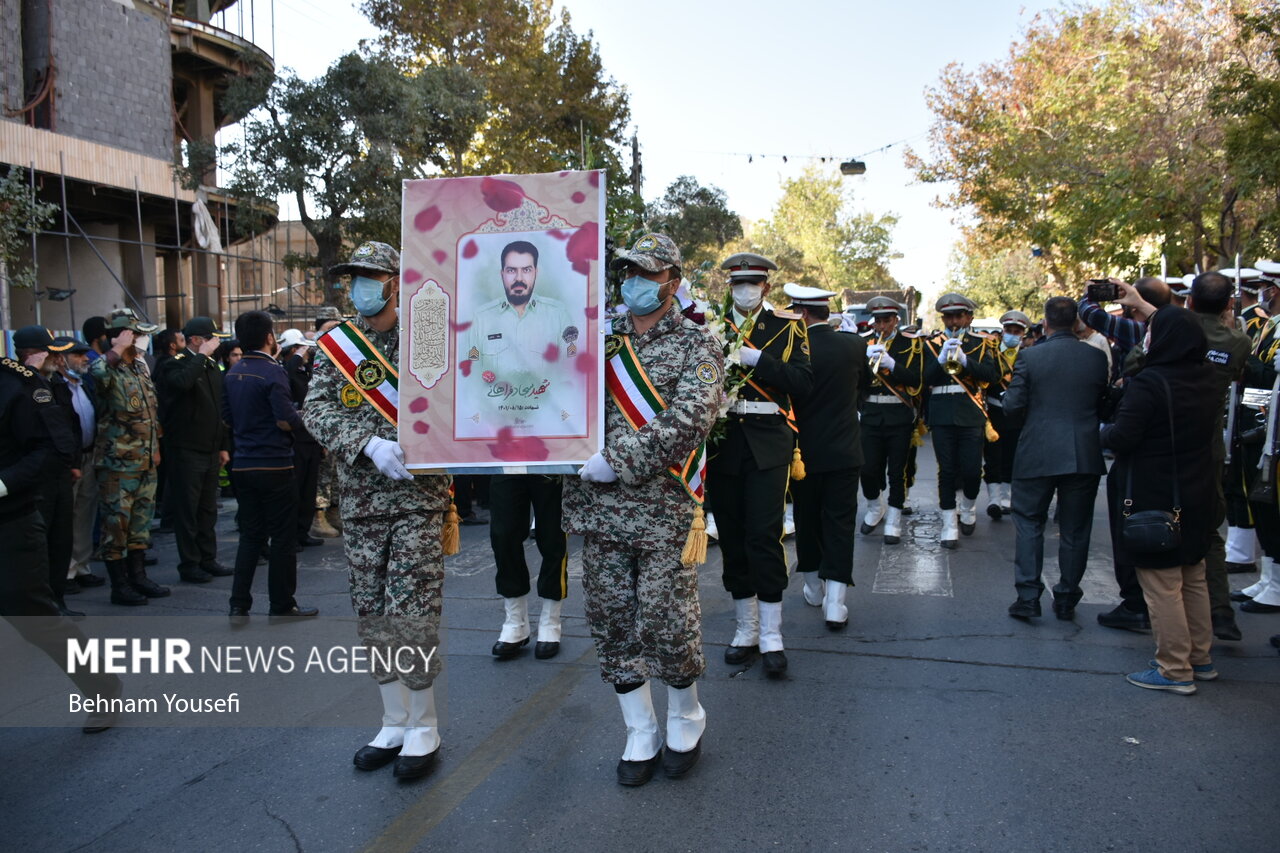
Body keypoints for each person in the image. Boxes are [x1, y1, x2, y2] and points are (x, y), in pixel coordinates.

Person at [561, 232, 722, 786]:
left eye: (644, 274)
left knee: (664, 619)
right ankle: (639, 728)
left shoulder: (699, 346)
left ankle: (686, 714)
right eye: (624, 272)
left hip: (663, 508)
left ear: (671, 283)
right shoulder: (596, 340)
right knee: (611, 619)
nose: (630, 283)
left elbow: (691, 419)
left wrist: (620, 457)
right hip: (599, 508)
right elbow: (557, 399)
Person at [305, 241, 453, 781]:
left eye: (370, 277)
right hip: (363, 500)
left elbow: (456, 399)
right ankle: (393, 719)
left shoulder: (429, 334)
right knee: (372, 612)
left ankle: (424, 726)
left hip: (418, 498)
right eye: (353, 278)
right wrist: (368, 443)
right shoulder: (337, 344)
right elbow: (316, 409)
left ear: (396, 281)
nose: (359, 287)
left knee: (410, 609)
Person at [0, 345, 123, 733]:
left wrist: (3, 484)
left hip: (8, 522)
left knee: (36, 619)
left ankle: (102, 688)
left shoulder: (14, 384)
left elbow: (53, 447)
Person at [1101, 307, 1220, 694]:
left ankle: (1173, 668)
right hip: (1198, 491)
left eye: (1150, 333)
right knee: (1193, 577)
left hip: (1155, 495)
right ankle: (1199, 659)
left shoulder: (1149, 383)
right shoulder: (1207, 377)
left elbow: (1123, 437)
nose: (1145, 340)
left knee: (1162, 583)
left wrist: (1103, 429)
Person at [709, 251, 813, 676]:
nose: (746, 290)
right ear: (728, 287)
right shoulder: (709, 324)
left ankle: (772, 635)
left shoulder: (788, 326)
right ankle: (746, 629)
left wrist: (760, 362)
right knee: (733, 536)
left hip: (770, 440)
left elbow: (804, 382)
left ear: (766, 287)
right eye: (738, 284)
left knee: (765, 536)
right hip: (724, 442)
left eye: (753, 283)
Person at [1002, 297, 1109, 620]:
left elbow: (1011, 407)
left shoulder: (1030, 356)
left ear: (1045, 323)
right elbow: (1102, 403)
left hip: (1038, 448)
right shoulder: (1096, 357)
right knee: (1076, 529)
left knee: (1029, 523)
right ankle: (1065, 598)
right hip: (1083, 450)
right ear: (1076, 322)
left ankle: (1028, 597)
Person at [222, 312, 318, 627]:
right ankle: (281, 603)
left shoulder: (233, 372)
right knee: (282, 537)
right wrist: (304, 420)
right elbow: (284, 419)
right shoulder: (272, 372)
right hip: (276, 462)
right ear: (268, 337)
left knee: (251, 536)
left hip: (244, 463)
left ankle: (239, 604)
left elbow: (227, 416)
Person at [784, 283, 870, 630]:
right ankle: (835, 604)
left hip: (801, 453)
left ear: (802, 313)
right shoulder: (854, 344)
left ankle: (812, 587)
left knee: (806, 518)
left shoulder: (790, 350)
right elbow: (866, 386)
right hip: (845, 450)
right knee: (840, 524)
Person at [459, 240, 579, 436]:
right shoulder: (482, 317)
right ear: (502, 274)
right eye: (512, 270)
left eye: (526, 270)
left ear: (536, 273)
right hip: (494, 429)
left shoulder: (558, 314)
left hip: (549, 427)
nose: (519, 278)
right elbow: (471, 376)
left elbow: (570, 375)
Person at [90, 308, 165, 606]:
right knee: (116, 528)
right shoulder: (108, 368)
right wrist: (117, 348)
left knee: (140, 524)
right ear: (123, 335)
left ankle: (139, 577)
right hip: (118, 464)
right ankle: (119, 585)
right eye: (137, 334)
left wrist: (156, 449)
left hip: (145, 461)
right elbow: (95, 374)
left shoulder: (138, 368)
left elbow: (150, 414)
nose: (142, 340)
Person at [156, 316, 233, 584]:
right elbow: (182, 383)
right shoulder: (173, 363)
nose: (216, 344)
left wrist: (223, 446)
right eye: (211, 339)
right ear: (197, 340)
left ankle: (207, 558)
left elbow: (218, 408)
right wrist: (199, 357)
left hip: (210, 448)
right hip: (186, 448)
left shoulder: (211, 365)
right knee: (187, 511)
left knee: (207, 509)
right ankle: (190, 563)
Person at [14, 328, 83, 620]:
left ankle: (58, 600)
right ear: (35, 354)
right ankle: (40, 608)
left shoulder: (55, 384)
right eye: (52, 353)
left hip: (60, 474)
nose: (57, 359)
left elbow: (70, 426)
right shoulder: (18, 386)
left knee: (60, 540)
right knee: (38, 548)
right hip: (36, 479)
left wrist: (74, 462)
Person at [921, 293, 1001, 548]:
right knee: (946, 470)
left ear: (969, 318)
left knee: (970, 469)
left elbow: (993, 375)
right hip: (942, 413)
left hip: (969, 412)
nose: (953, 322)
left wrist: (966, 362)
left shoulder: (982, 343)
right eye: (948, 317)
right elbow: (923, 379)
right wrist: (940, 359)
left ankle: (967, 506)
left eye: (959, 316)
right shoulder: (932, 344)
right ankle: (948, 523)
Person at [859, 296, 924, 545]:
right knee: (867, 469)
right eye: (878, 320)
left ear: (896, 320)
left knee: (897, 471)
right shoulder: (865, 343)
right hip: (871, 415)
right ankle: (876, 507)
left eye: (887, 320)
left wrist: (892, 364)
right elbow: (856, 381)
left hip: (898, 415)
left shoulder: (911, 345)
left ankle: (894, 518)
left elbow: (916, 380)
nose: (882, 325)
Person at [1235, 267, 1280, 615]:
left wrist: (1247, 361)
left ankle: (1277, 584)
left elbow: (1266, 378)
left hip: (1272, 429)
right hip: (1261, 424)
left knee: (1271, 504)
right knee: (1261, 502)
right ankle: (1270, 577)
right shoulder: (1270, 326)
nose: (1263, 292)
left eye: (1267, 286)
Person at [488, 474, 568, 660]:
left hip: (551, 461)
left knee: (553, 537)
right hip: (505, 457)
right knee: (503, 536)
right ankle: (516, 621)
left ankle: (550, 621)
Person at [57, 337, 106, 592]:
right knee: (66, 519)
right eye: (78, 355)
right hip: (70, 463)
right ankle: (66, 572)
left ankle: (82, 567)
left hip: (90, 456)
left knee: (85, 516)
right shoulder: (55, 387)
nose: (85, 358)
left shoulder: (84, 384)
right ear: (61, 358)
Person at [276, 328, 324, 549]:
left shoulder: (305, 372)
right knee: (294, 490)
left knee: (308, 489)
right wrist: (295, 357)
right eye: (302, 349)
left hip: (311, 437)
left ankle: (302, 531)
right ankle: (291, 535)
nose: (307, 353)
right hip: (295, 439)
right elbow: (285, 375)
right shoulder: (285, 371)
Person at [983, 310, 1031, 520]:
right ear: (1003, 332)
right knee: (992, 456)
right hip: (993, 411)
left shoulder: (1028, 355)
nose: (1012, 334)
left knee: (1012, 455)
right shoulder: (991, 353)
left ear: (1023, 334)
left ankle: (1006, 497)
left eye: (1017, 331)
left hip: (1017, 414)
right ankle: (994, 499)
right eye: (1009, 330)